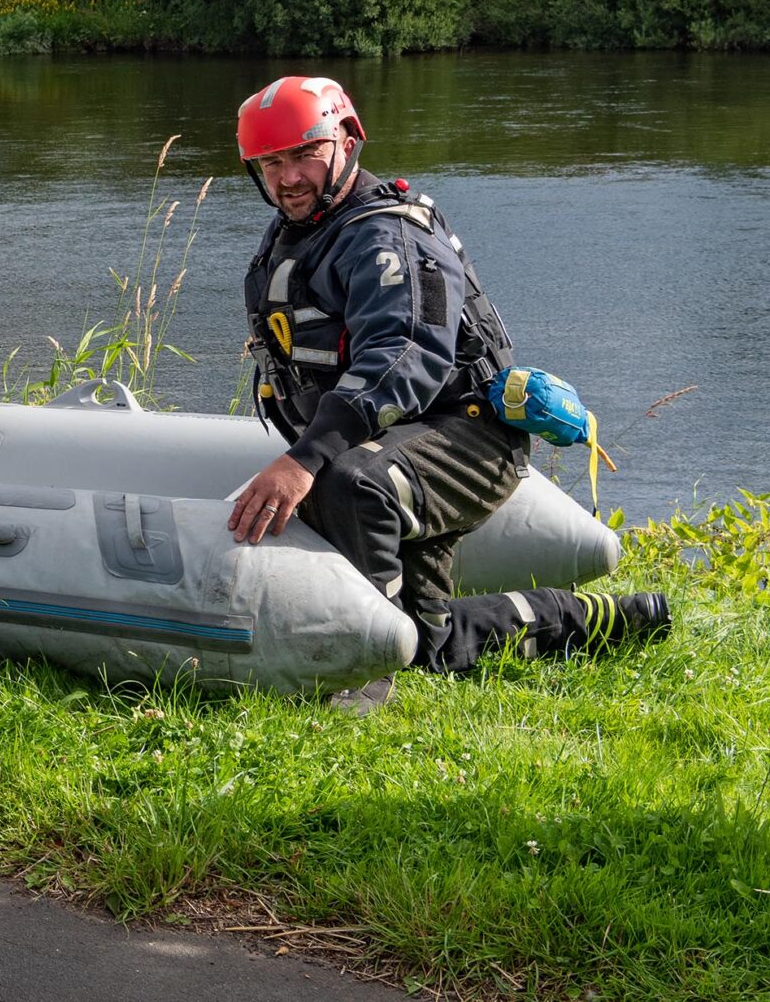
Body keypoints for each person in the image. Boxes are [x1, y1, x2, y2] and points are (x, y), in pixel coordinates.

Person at [227, 76, 668, 677]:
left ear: (347, 142)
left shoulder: (388, 236)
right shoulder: (298, 232)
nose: (288, 178)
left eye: (305, 154)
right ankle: (603, 620)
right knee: (430, 645)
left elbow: (404, 355)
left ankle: (365, 671)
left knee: (350, 482)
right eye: (271, 163)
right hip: (395, 439)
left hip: (468, 436)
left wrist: (304, 460)